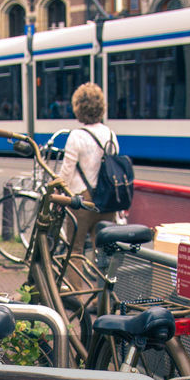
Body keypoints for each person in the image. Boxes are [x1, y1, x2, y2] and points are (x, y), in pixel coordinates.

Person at [57, 82, 120, 258]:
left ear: (78, 107)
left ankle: (77, 287)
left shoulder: (77, 136)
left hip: (81, 199)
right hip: (107, 199)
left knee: (75, 250)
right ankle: (102, 284)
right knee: (103, 251)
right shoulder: (110, 134)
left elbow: (67, 171)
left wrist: (57, 190)